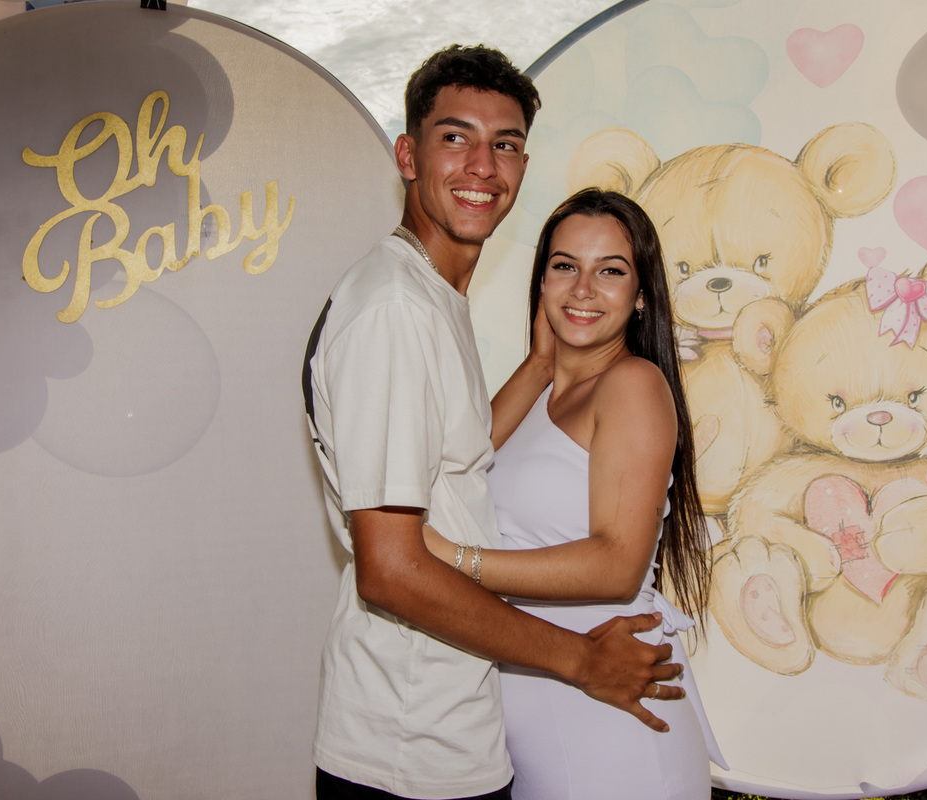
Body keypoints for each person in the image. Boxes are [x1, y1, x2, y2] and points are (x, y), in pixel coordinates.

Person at [304, 46, 686, 800]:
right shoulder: (396, 309)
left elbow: (458, 457)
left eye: (504, 145)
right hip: (408, 740)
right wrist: (580, 659)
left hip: (459, 725)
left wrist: (540, 366)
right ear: (407, 155)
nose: (482, 165)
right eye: (456, 137)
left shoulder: (432, 299)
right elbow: (392, 569)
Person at [424, 189, 728, 799]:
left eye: (610, 271)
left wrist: (455, 563)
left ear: (641, 296)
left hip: (612, 736)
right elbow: (454, 475)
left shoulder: (633, 383)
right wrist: (540, 365)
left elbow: (617, 565)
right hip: (538, 725)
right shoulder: (538, 391)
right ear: (541, 282)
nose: (583, 289)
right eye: (565, 266)